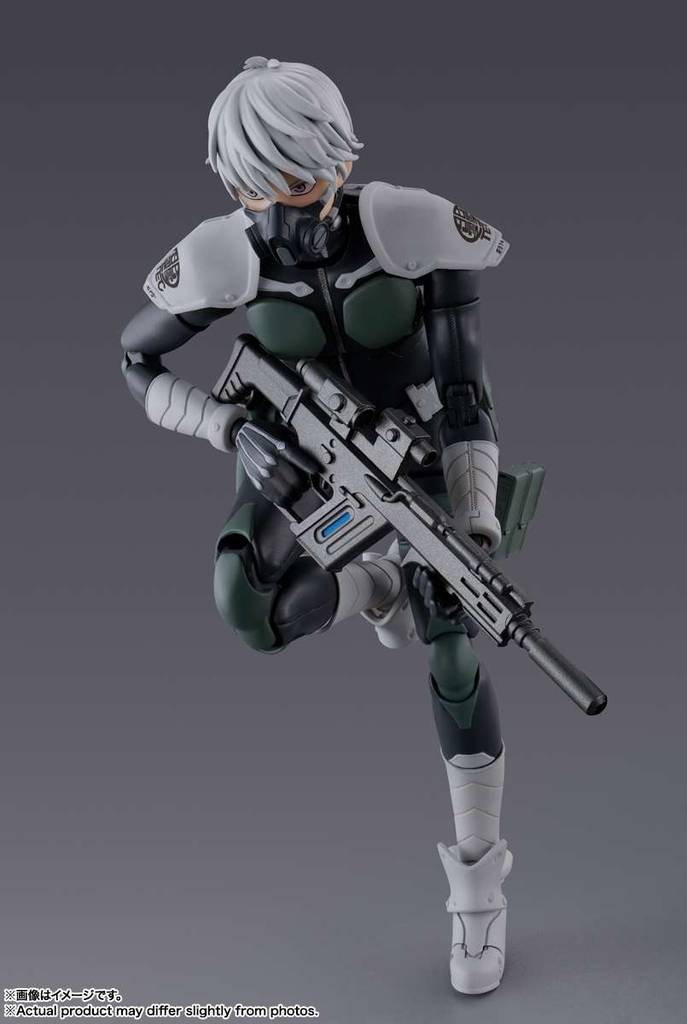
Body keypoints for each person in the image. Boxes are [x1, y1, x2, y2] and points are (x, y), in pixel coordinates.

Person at [121, 56, 513, 995]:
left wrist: (469, 519)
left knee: (453, 646)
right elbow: (137, 362)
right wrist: (229, 429)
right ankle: (371, 584)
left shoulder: (408, 227)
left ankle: (479, 896)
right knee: (246, 602)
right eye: (253, 189)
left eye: (295, 182)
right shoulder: (220, 254)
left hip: (413, 454)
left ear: (339, 161)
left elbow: (464, 392)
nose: (277, 211)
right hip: (293, 459)